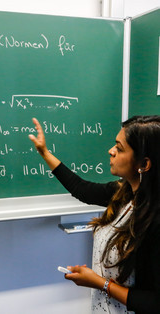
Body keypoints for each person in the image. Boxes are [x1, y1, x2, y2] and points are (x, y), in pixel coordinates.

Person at [29, 116, 160, 314]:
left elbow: (155, 303)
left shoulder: (155, 219)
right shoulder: (123, 194)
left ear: (144, 163)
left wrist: (100, 283)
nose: (111, 151)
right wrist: (45, 153)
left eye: (120, 148)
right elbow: (82, 189)